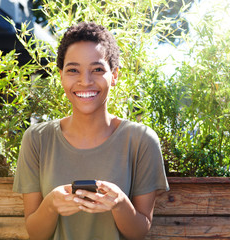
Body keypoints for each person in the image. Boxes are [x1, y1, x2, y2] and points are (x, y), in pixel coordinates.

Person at [13, 22, 169, 240]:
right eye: (73, 70)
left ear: (114, 76)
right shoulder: (37, 139)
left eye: (97, 69)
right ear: (61, 76)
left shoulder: (141, 140)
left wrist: (119, 203)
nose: (85, 81)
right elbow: (36, 234)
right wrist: (50, 205)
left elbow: (139, 232)